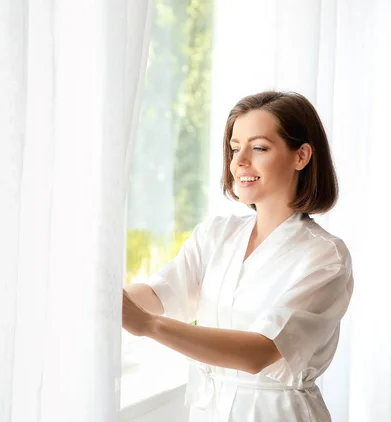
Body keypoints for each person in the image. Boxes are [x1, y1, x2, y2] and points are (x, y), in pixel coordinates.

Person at [122, 91, 353, 422]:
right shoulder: (217, 234)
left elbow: (259, 352)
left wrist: (147, 325)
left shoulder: (325, 256)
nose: (239, 161)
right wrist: (101, 298)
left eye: (259, 148)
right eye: (234, 148)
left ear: (300, 156)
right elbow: (161, 292)